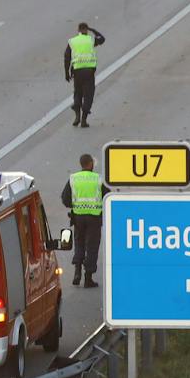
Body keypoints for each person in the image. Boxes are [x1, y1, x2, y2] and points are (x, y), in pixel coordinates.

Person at [61, 154, 109, 288]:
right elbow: (108, 197)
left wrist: (75, 205)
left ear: (81, 164)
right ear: (91, 164)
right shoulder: (98, 179)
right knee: (92, 247)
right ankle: (88, 278)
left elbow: (65, 199)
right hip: (94, 218)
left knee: (79, 242)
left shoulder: (73, 179)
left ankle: (77, 272)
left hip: (78, 217)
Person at [63, 21, 105, 127]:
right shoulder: (90, 40)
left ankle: (77, 115)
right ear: (86, 30)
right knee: (88, 95)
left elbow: (67, 57)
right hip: (89, 72)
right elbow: (102, 39)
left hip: (77, 72)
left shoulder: (73, 41)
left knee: (78, 93)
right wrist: (93, 30)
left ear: (78, 30)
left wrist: (66, 73)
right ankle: (83, 120)